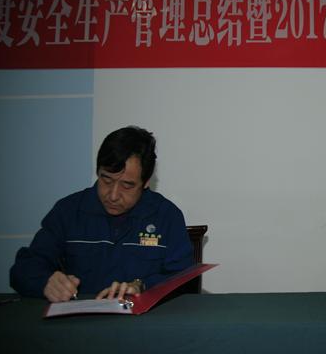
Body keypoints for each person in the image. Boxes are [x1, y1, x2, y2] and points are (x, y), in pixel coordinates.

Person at [10, 126, 194, 302]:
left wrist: (142, 286)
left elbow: (183, 279)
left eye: (127, 185)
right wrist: (45, 282)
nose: (113, 195)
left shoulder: (166, 216)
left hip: (142, 320)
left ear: (146, 182)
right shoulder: (68, 211)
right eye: (106, 180)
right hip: (80, 319)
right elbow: (23, 270)